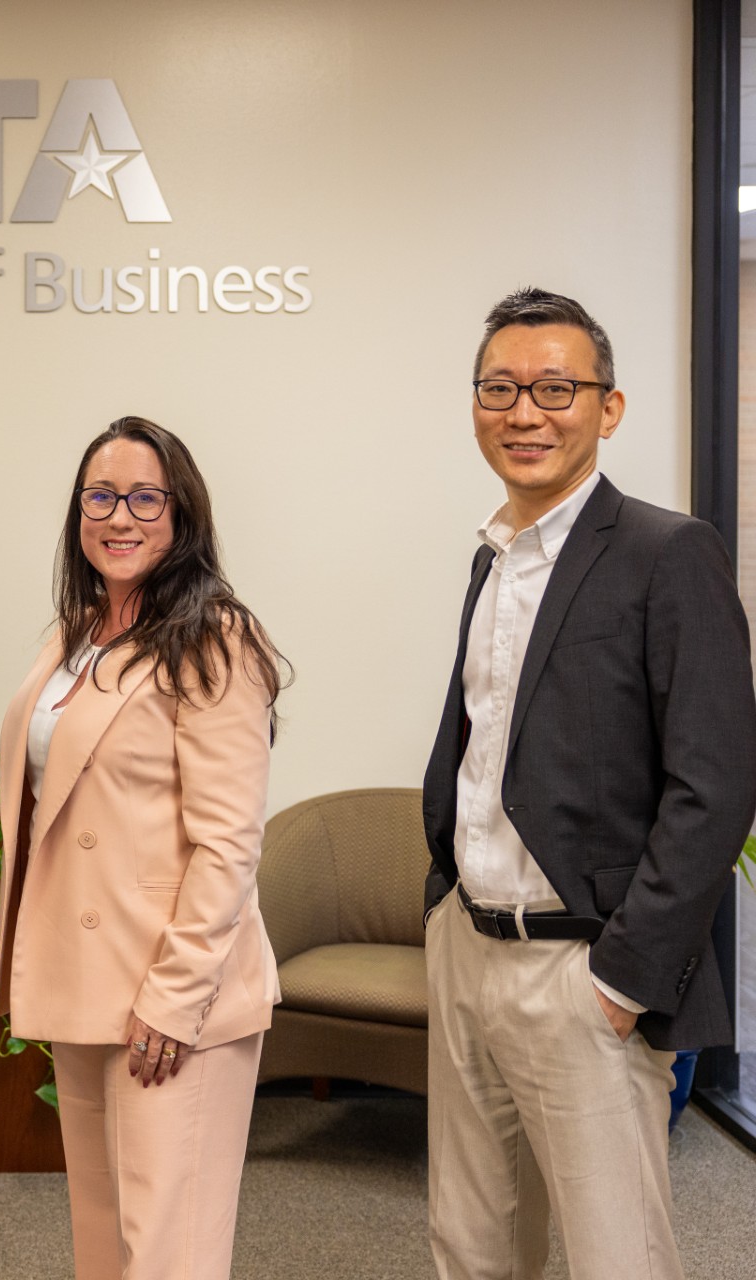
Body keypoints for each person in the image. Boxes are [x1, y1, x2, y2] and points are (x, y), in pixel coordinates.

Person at [421, 287, 756, 1280]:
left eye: (555, 387)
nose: (526, 412)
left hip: (583, 969)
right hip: (469, 950)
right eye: (501, 388)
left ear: (608, 407)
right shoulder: (494, 557)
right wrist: (444, 910)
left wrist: (624, 976)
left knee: (619, 1257)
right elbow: (487, 749)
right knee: (472, 1245)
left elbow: (715, 782)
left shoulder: (669, 551)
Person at [0, 416, 285, 1280]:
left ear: (181, 512)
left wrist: (176, 996)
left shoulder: (215, 636)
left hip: (170, 996)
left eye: (145, 497)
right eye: (101, 496)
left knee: (168, 1251)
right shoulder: (79, 630)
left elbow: (229, 841)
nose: (120, 516)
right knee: (105, 1236)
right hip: (88, 984)